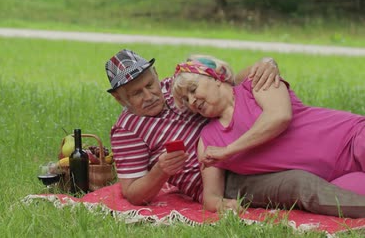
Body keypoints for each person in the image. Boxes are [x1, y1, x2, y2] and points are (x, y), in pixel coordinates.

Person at [105, 49, 365, 218]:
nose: (150, 95)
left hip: (247, 151)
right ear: (120, 99)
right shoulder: (127, 131)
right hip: (228, 178)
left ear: (156, 75)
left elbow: (230, 79)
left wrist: (265, 63)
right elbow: (133, 194)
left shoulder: (177, 84)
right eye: (136, 94)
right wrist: (161, 170)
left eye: (150, 85)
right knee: (301, 182)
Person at [171, 55, 365, 212]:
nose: (192, 101)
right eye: (186, 100)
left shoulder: (255, 83)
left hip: (351, 137)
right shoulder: (208, 138)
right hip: (333, 179)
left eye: (193, 89)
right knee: (349, 202)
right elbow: (211, 197)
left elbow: (279, 117)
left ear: (215, 77)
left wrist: (229, 150)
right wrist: (224, 205)